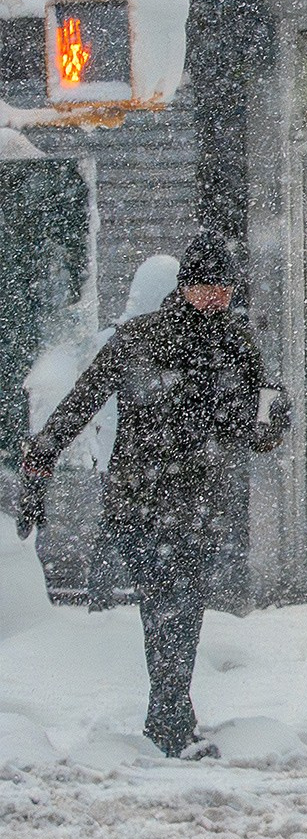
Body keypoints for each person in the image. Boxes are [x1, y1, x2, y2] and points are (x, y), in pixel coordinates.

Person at [14, 233, 289, 759]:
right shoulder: (140, 339)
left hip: (202, 503)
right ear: (183, 287)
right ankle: (169, 724)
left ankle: (169, 722)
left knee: (180, 613)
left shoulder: (239, 345)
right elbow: (84, 397)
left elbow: (254, 429)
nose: (215, 297)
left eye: (223, 288)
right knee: (166, 609)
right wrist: (42, 452)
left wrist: (273, 421)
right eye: (204, 286)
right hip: (138, 499)